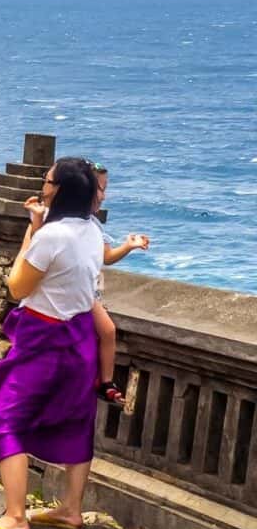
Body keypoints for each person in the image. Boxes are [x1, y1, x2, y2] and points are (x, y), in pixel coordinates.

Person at [0, 157, 103, 529]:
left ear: (59, 191)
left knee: (1, 418)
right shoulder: (92, 230)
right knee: (77, 419)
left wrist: (31, 233)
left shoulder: (52, 236)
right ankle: (71, 508)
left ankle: (16, 517)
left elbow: (17, 287)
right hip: (81, 338)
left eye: (47, 181)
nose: (43, 186)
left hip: (44, 341)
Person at [89, 162, 150, 405]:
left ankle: (104, 381)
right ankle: (104, 382)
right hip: (77, 294)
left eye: (105, 189)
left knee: (106, 332)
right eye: (98, 189)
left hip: (91, 294)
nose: (103, 196)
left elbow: (106, 257)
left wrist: (128, 246)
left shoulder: (94, 224)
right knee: (106, 331)